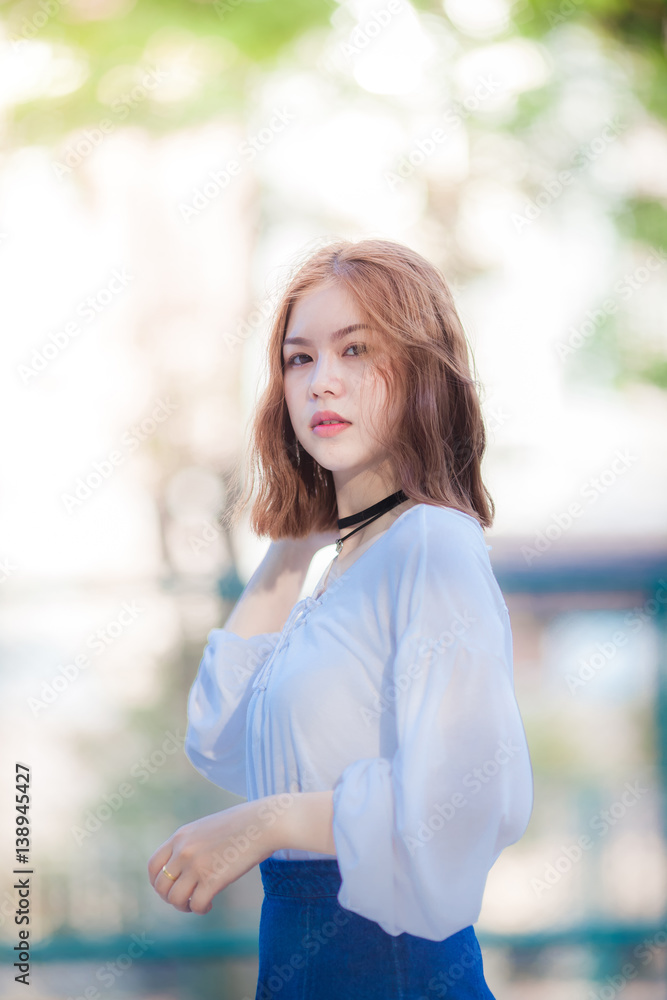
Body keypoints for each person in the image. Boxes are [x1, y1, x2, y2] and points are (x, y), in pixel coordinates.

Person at [147, 237, 534, 999]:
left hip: (392, 971)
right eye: (299, 359)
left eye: (355, 350)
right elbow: (220, 736)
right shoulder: (341, 569)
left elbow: (465, 800)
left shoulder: (432, 544)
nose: (323, 382)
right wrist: (293, 544)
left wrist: (268, 824)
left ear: (421, 371)